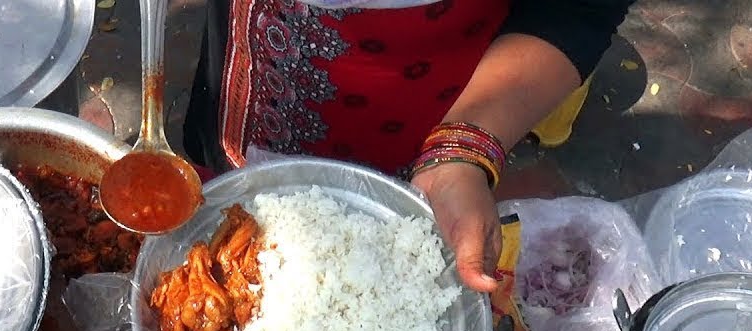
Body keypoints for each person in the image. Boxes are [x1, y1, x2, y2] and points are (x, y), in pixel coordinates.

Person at [183, 0, 635, 293]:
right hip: (245, 72)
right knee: (212, 220)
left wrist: (460, 151)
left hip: (426, 99)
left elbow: (581, 9)